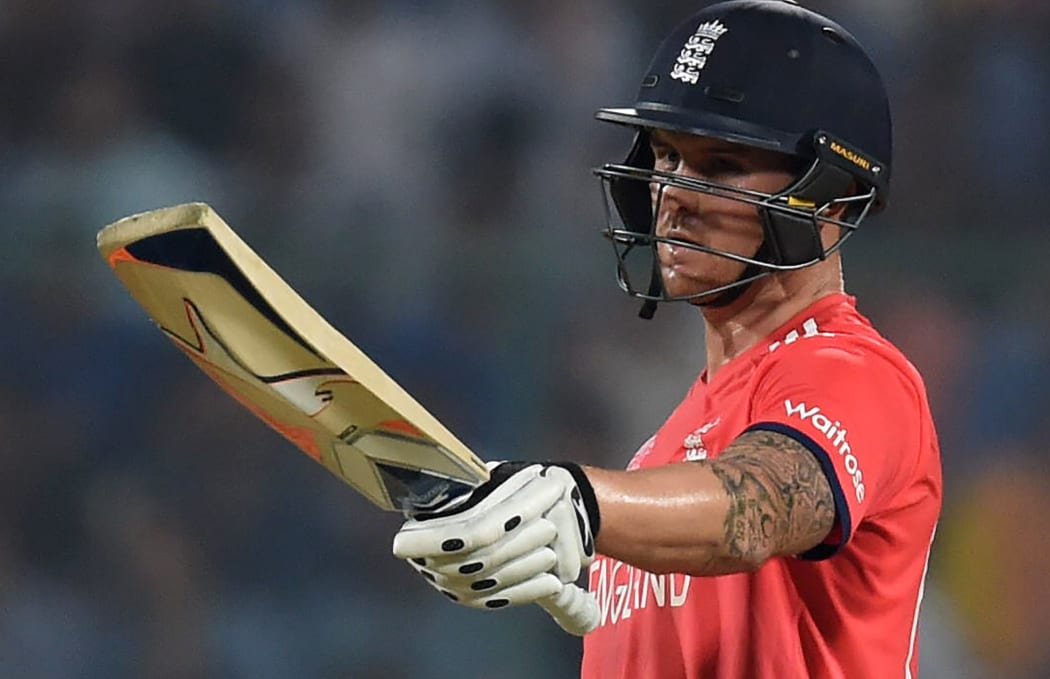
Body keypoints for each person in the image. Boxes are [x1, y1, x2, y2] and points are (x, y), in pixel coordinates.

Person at [393, 1, 943, 677]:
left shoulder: (855, 372)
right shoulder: (661, 452)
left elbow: (758, 503)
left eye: (721, 165)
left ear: (831, 197)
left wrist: (580, 499)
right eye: (666, 156)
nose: (672, 194)